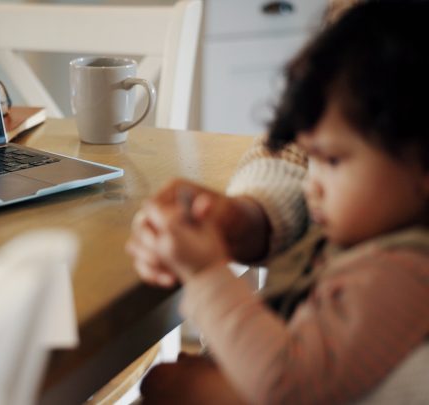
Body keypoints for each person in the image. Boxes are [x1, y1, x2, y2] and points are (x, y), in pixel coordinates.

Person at [125, 1, 429, 404]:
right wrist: (246, 214)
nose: (311, 184)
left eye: (332, 161)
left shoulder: (397, 274)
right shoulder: (379, 242)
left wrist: (205, 274)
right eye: (311, 158)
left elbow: (289, 387)